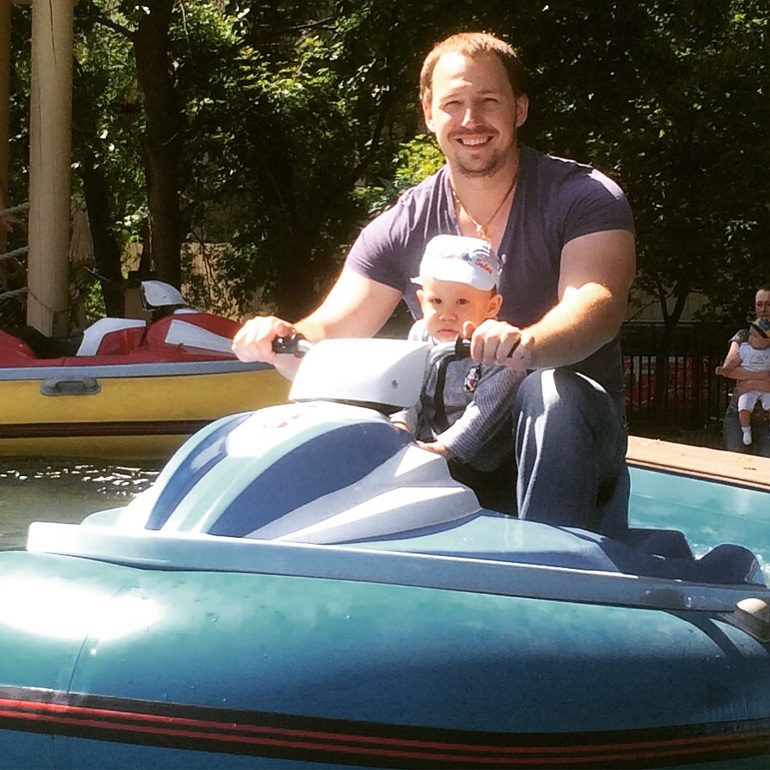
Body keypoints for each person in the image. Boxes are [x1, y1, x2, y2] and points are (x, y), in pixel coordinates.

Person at [233, 31, 636, 534]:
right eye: (453, 104)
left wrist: (525, 344)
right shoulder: (401, 223)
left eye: (489, 101)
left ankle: (555, 559)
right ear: (429, 113)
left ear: (520, 109)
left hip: (572, 441)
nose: (471, 120)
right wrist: (281, 338)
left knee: (548, 388)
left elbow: (596, 304)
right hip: (448, 452)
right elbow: (333, 329)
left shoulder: (585, 196)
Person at [391, 233, 524, 512]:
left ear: (492, 306)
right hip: (424, 448)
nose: (447, 315)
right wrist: (402, 428)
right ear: (421, 301)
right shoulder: (420, 335)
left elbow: (484, 413)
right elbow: (406, 389)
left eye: (462, 302)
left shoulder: (500, 351)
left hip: (482, 466)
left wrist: (445, 448)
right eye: (436, 301)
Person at [718, 286, 770, 454]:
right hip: (737, 416)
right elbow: (728, 369)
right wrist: (761, 377)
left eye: (768, 304)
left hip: (767, 421)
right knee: (736, 463)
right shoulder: (743, 336)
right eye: (759, 304)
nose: (763, 309)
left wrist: (748, 384)